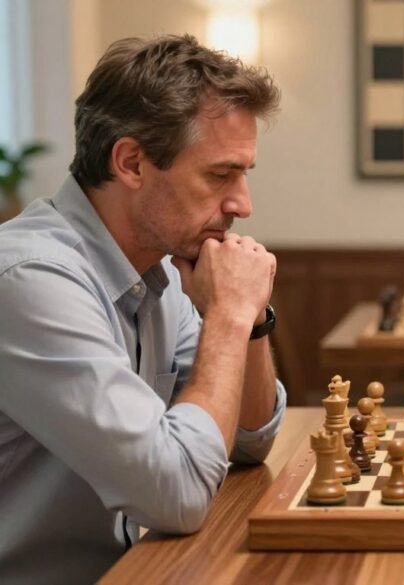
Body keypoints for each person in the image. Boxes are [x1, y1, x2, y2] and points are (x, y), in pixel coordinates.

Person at [0, 35, 285, 582]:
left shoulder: (159, 272)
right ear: (131, 162)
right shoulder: (31, 280)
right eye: (220, 174)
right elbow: (176, 490)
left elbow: (248, 439)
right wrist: (228, 313)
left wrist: (250, 321)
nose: (242, 204)